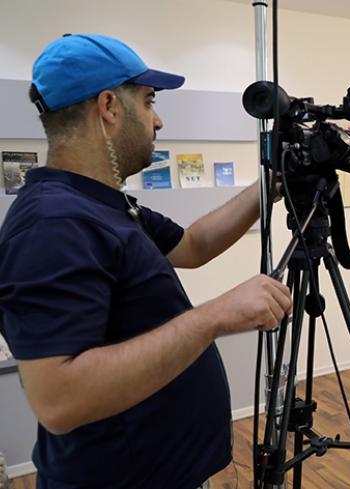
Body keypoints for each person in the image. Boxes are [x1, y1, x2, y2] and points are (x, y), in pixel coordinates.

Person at [0, 34, 293, 488]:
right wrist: (214, 317)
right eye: (149, 101)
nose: (158, 121)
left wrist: (272, 184)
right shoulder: (53, 223)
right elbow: (57, 400)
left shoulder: (104, 202)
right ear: (109, 107)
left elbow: (193, 246)